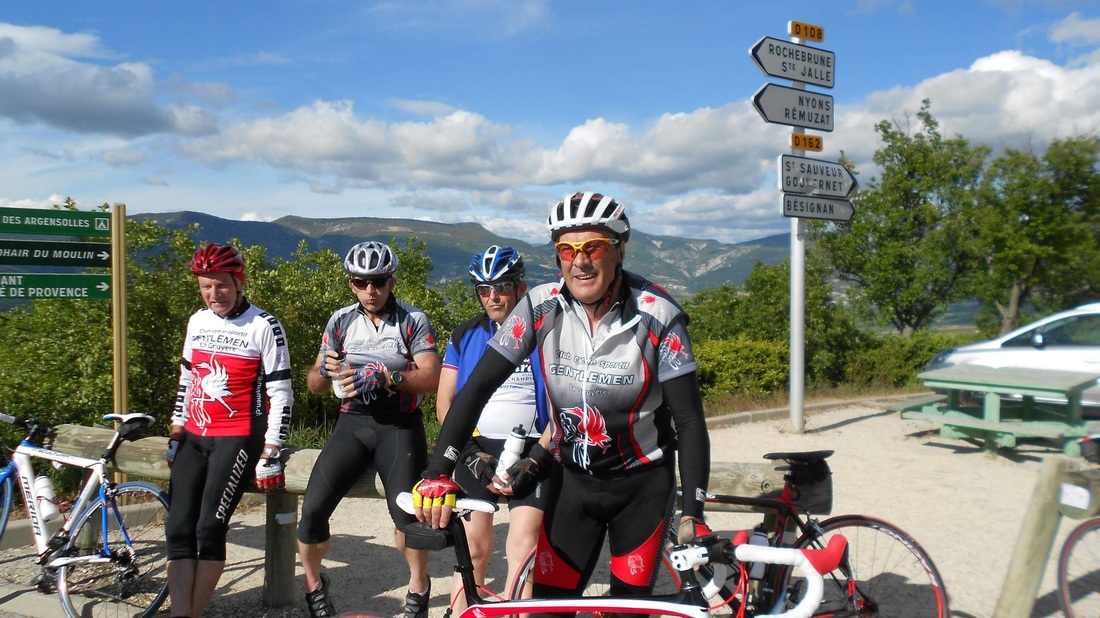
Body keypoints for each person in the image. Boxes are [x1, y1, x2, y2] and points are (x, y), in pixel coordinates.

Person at [413, 192, 711, 606]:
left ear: (620, 250)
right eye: (568, 250)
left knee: (628, 610)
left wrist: (694, 513)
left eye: (594, 247)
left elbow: (690, 421)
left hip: (641, 487)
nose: (580, 261)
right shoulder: (540, 305)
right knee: (548, 608)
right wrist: (438, 471)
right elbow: (478, 386)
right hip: (572, 482)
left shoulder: (659, 315)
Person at [298, 241, 441, 618]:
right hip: (353, 422)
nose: (370, 290)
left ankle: (418, 587)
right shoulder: (340, 320)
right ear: (352, 284)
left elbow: (432, 376)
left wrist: (390, 376)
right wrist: (323, 371)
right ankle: (314, 585)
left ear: (392, 282)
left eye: (378, 281)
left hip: (399, 425)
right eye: (361, 282)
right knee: (312, 511)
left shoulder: (412, 319)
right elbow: (313, 384)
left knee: (406, 517)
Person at [166, 242, 293, 618]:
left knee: (209, 528)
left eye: (221, 285)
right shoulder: (197, 321)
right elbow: (187, 378)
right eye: (205, 286)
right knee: (177, 529)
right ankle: (180, 613)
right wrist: (176, 428)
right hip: (193, 435)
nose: (213, 294)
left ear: (239, 282)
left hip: (237, 436)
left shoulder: (263, 325)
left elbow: (281, 391)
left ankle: (192, 614)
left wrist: (271, 449)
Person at [437, 246, 550, 609]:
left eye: (501, 287)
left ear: (521, 287)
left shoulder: (547, 332)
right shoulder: (465, 334)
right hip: (477, 447)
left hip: (534, 449)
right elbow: (445, 403)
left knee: (524, 547)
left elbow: (563, 403)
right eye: (484, 289)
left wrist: (538, 456)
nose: (493, 297)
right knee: (472, 548)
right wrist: (468, 452)